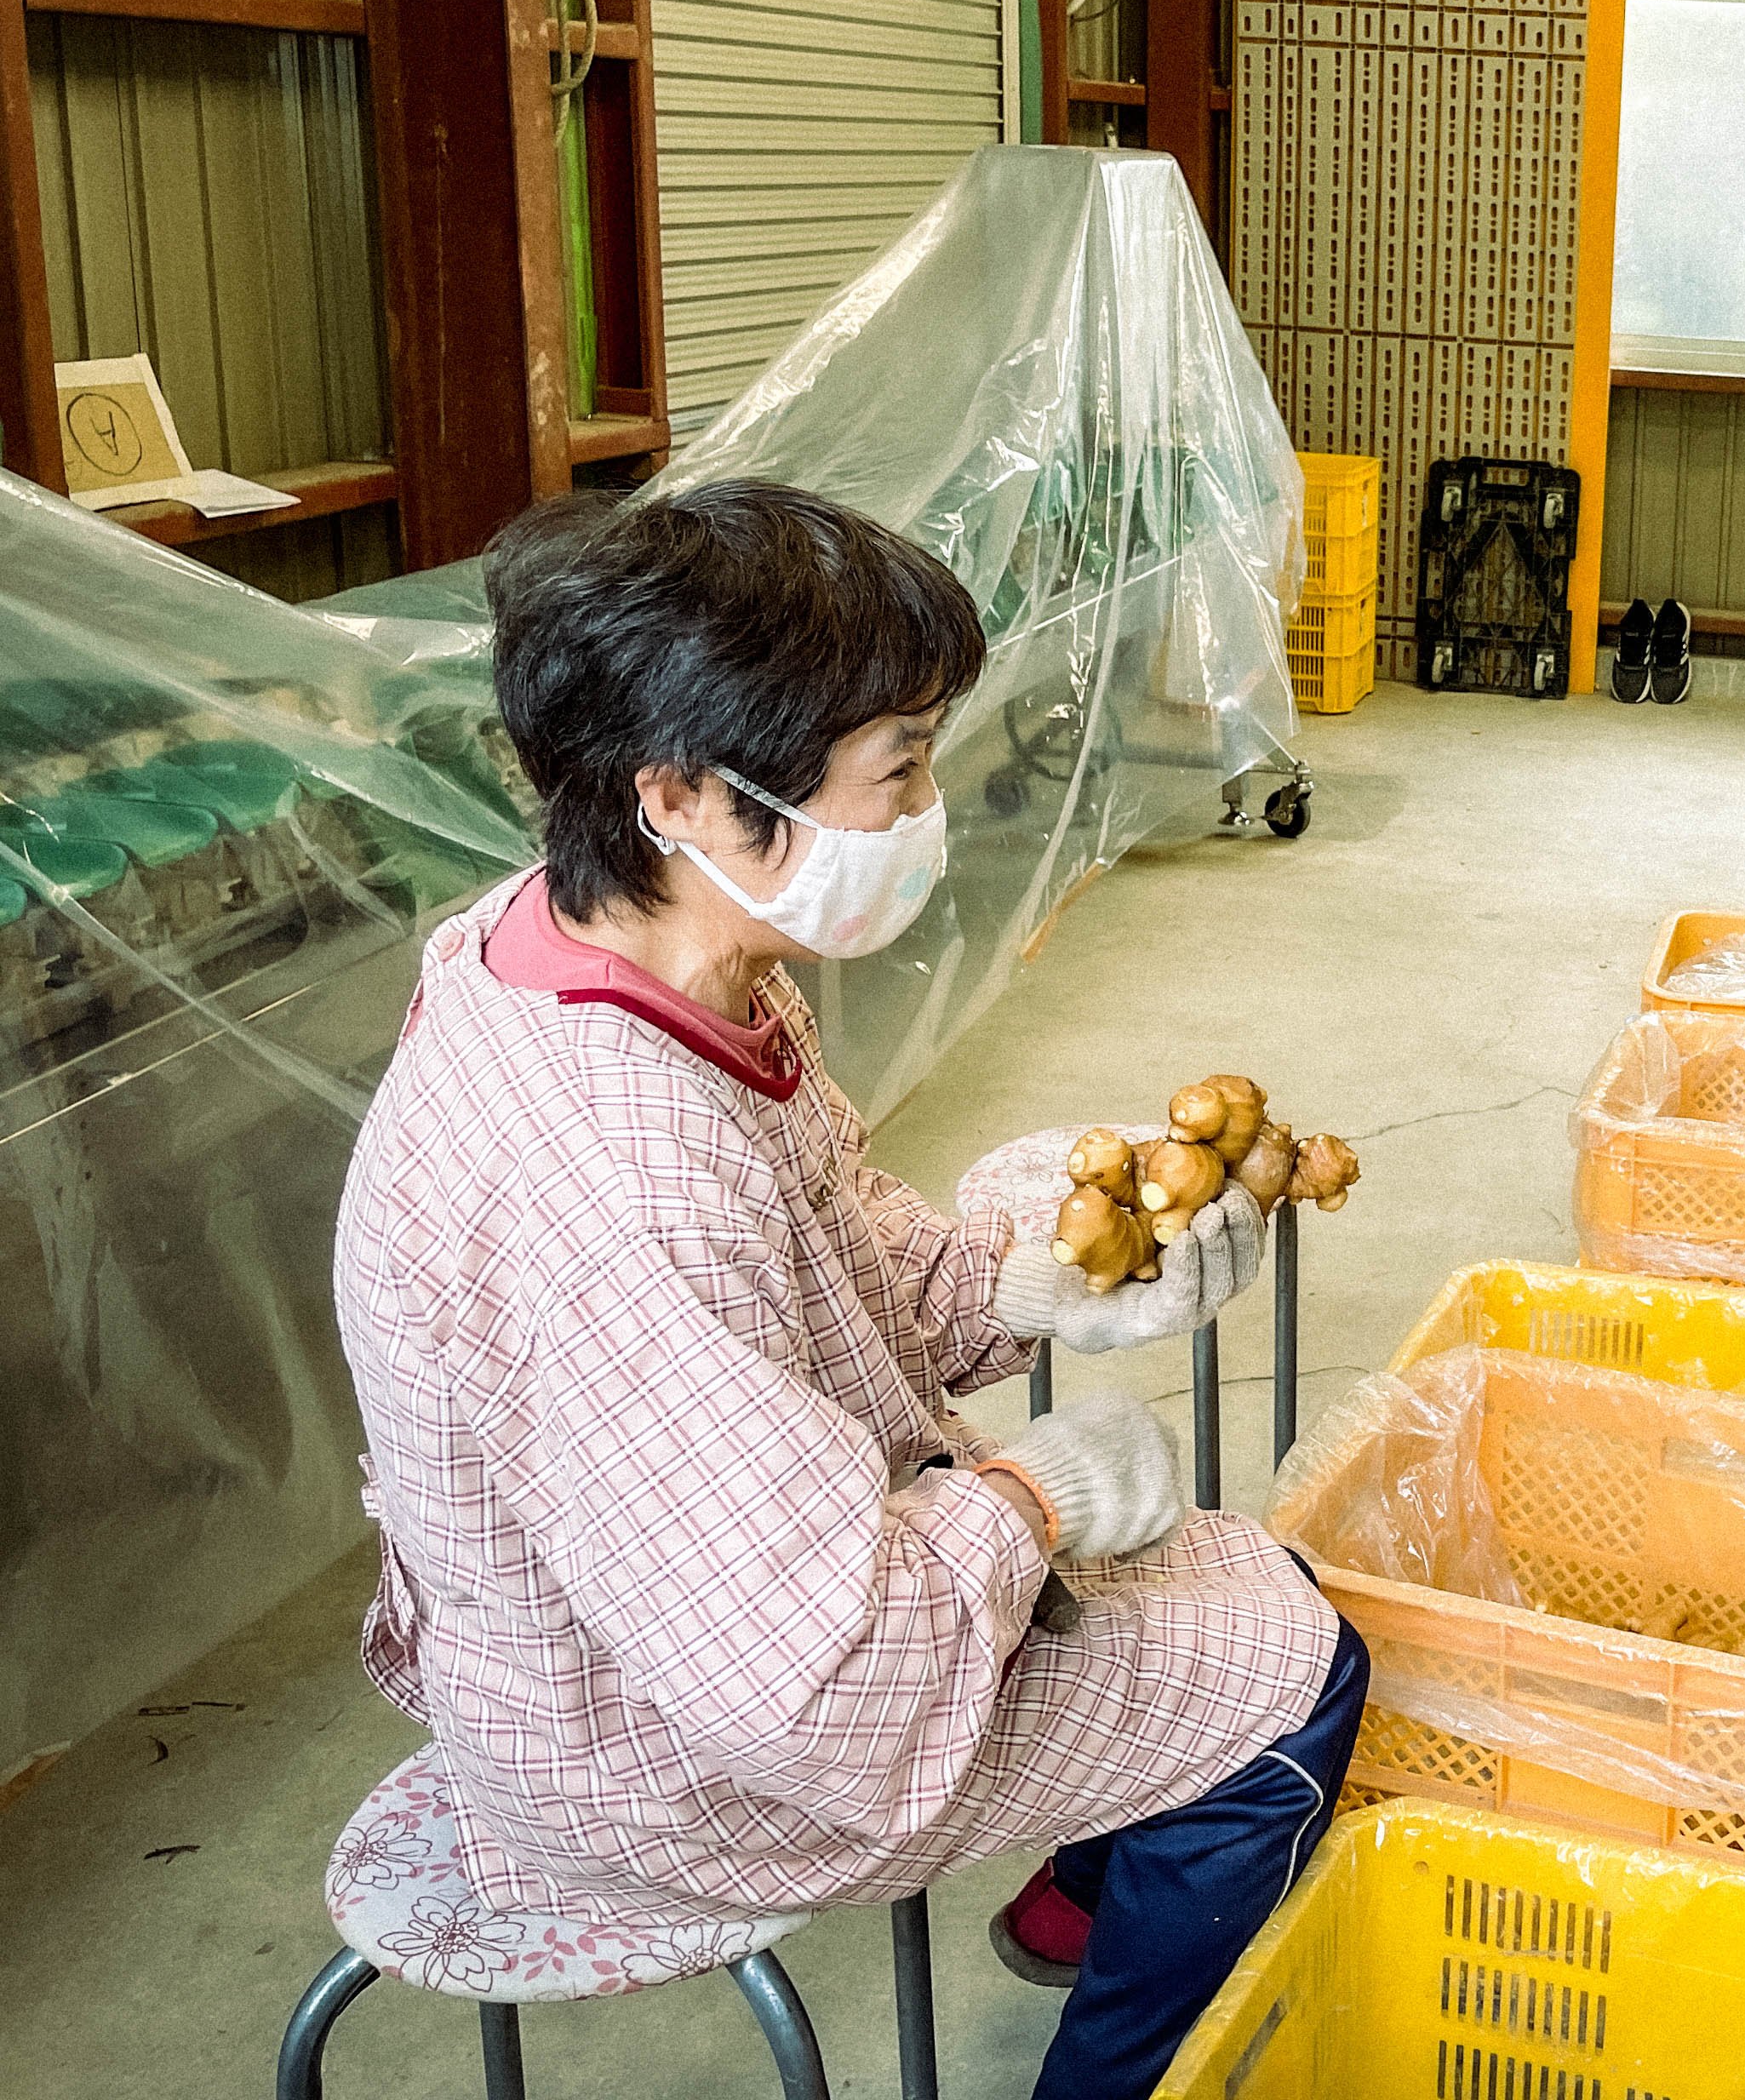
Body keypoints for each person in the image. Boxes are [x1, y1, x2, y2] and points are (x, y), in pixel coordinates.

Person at [333, 482, 1364, 2100]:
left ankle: (1081, 1882)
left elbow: (826, 1250)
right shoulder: (616, 1177)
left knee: (1244, 1575)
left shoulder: (612, 950)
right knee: (1300, 1670)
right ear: (681, 797)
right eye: (900, 769)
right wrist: (1030, 1500)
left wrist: (1026, 1288)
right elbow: (812, 1680)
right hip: (659, 1749)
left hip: (664, 1616)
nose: (929, 808)